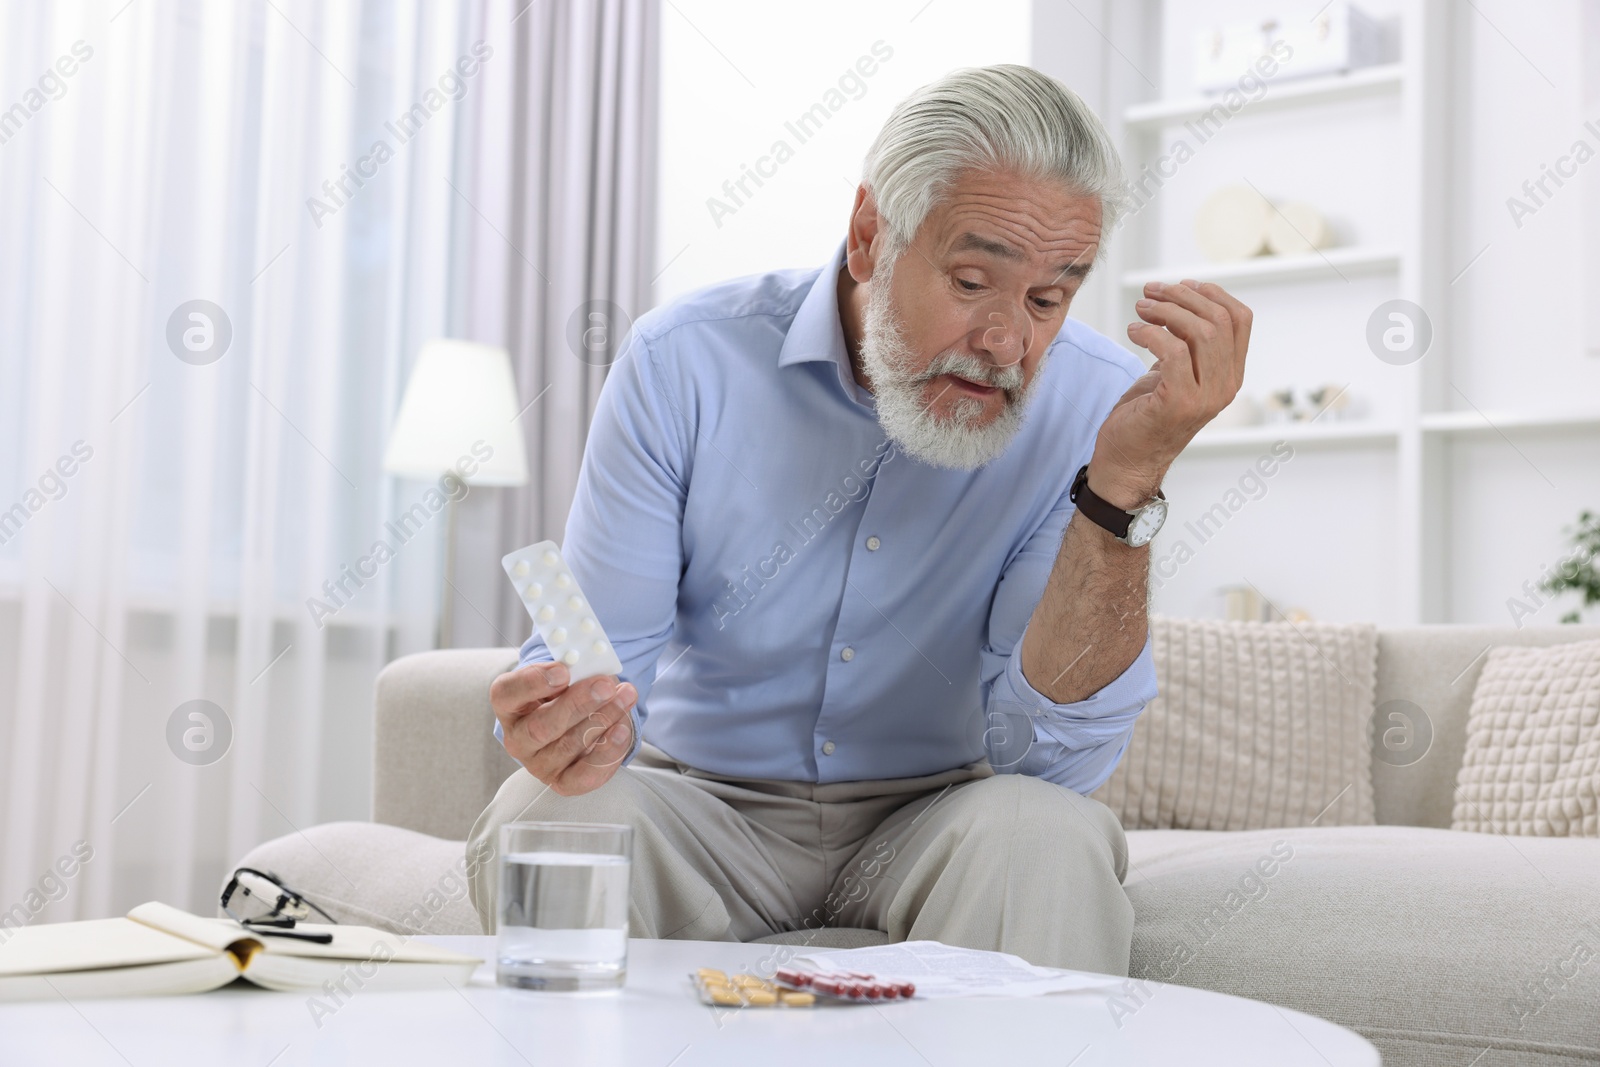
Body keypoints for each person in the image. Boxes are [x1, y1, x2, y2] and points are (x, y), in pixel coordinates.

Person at [468, 63, 1250, 974]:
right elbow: (599, 666)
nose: (1007, 341)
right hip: (704, 807)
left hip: (939, 814)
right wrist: (567, 725)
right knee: (550, 816)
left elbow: (1050, 759)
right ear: (871, 234)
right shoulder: (682, 362)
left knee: (1044, 832)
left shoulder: (1098, 408)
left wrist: (1124, 485)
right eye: (971, 281)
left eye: (1048, 299)